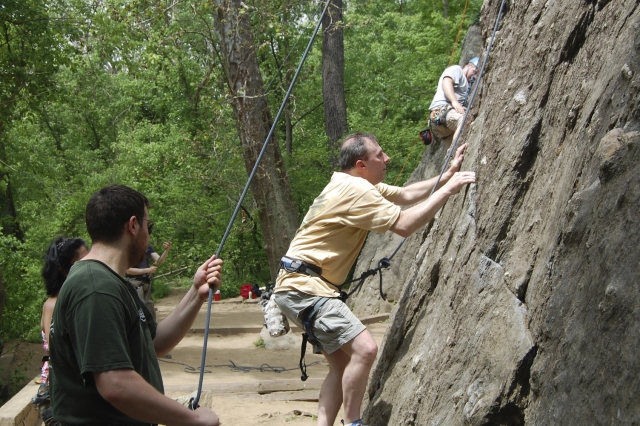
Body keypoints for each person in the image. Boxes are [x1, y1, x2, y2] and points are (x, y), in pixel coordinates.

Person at [273, 133, 476, 426]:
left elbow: (406, 195)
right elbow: (404, 225)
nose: (387, 158)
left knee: (342, 366)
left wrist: (447, 175)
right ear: (361, 164)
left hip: (298, 286)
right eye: (379, 154)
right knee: (366, 349)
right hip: (306, 289)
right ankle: (354, 423)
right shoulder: (356, 191)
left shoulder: (350, 183)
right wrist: (448, 191)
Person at [49, 184, 223, 426]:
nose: (149, 234)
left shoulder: (112, 282)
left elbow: (154, 344)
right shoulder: (96, 288)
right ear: (133, 225)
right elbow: (115, 384)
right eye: (148, 226)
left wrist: (196, 293)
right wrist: (192, 419)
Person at [31, 236, 89, 425]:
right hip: (57, 396)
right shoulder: (53, 305)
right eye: (80, 263)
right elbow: (56, 349)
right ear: (62, 270)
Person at [428, 57, 479, 147]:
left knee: (457, 152)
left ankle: (452, 159)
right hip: (441, 110)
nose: (475, 77)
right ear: (469, 66)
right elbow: (446, 82)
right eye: (475, 72)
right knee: (464, 120)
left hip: (447, 126)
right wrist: (454, 101)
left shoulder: (468, 87)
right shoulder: (456, 70)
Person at [126, 237, 172, 319]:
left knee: (150, 309)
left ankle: (151, 330)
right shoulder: (128, 246)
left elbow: (159, 260)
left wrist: (166, 250)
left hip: (145, 283)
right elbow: (127, 270)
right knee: (139, 310)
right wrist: (147, 270)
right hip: (134, 283)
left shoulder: (148, 247)